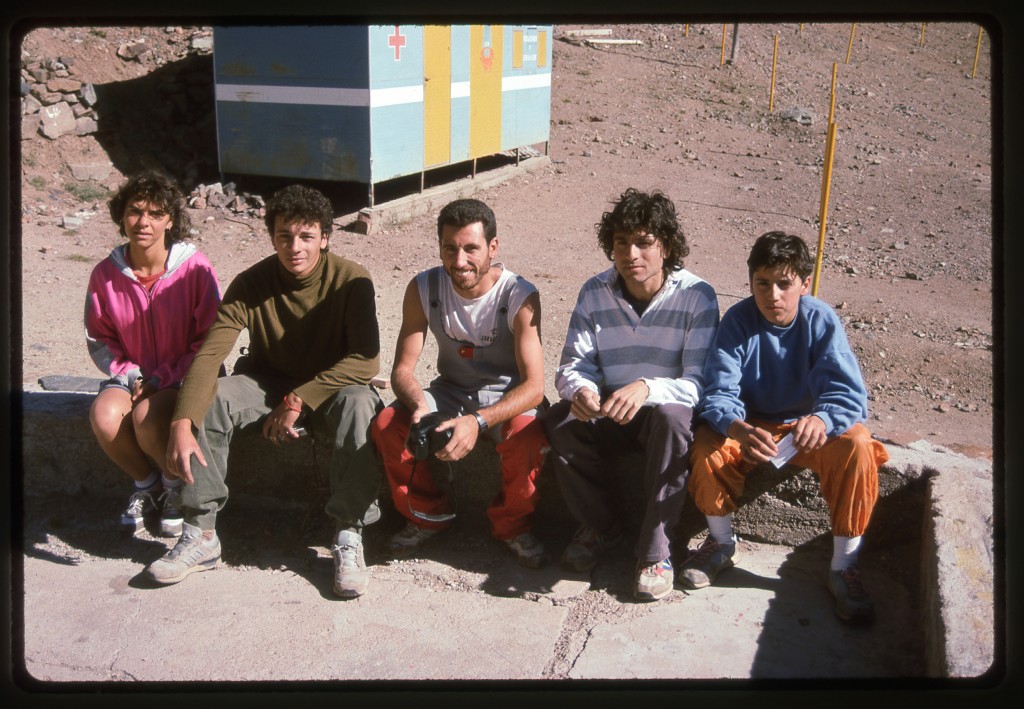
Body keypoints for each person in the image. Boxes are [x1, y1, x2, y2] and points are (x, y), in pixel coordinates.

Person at [153, 184, 383, 599]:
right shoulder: (251, 283)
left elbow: (366, 362)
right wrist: (181, 421)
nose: (295, 247)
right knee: (215, 396)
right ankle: (200, 532)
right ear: (272, 236)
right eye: (284, 236)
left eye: (307, 236)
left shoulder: (352, 280)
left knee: (363, 403)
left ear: (325, 237)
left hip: (333, 387)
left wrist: (298, 400)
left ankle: (349, 533)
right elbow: (209, 356)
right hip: (268, 382)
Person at [684, 231, 889, 623]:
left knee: (859, 445)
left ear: (804, 284)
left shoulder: (821, 320)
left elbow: (849, 395)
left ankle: (844, 565)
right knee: (708, 445)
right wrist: (738, 428)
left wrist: (823, 418)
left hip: (806, 430)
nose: (773, 295)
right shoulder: (737, 322)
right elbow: (718, 393)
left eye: (784, 284)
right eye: (762, 283)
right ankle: (722, 543)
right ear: (750, 282)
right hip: (753, 428)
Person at [543, 188, 720, 602]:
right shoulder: (594, 292)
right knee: (560, 420)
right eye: (621, 242)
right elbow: (573, 364)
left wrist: (647, 388)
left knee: (675, 417)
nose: (631, 254)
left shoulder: (697, 296)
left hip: (660, 416)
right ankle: (602, 529)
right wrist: (582, 390)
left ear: (667, 247)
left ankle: (655, 553)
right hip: (609, 411)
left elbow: (699, 381)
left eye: (644, 242)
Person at [370, 198, 549, 568]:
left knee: (528, 437)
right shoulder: (424, 289)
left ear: (493, 247)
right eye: (450, 248)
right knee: (390, 426)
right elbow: (403, 368)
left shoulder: (519, 296)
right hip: (450, 391)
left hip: (506, 395)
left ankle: (512, 527)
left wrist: (479, 421)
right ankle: (426, 516)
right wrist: (419, 406)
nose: (460, 260)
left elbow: (534, 387)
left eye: (471, 248)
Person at [85, 170, 221, 538]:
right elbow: (99, 338)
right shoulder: (105, 274)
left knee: (146, 416)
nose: (143, 222)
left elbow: (211, 340)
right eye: (134, 211)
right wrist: (133, 375)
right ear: (121, 216)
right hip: (133, 376)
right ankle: (149, 486)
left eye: (155, 213)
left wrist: (162, 378)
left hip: (183, 376)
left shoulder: (194, 269)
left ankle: (177, 487)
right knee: (104, 414)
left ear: (170, 220)